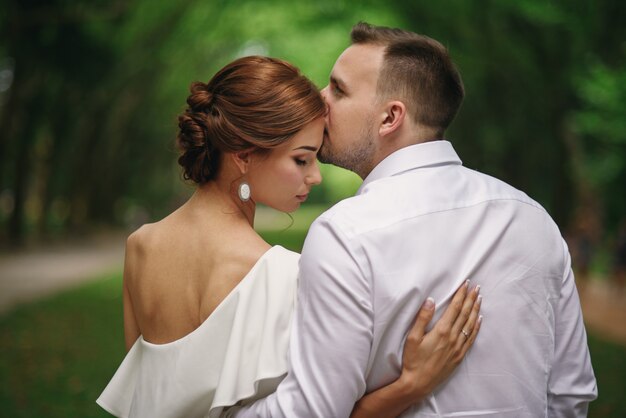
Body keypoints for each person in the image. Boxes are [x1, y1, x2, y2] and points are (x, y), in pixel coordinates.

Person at [229, 22, 598, 417]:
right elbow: (570, 395)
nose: (320, 100)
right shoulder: (534, 220)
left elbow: (310, 411)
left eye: (338, 89)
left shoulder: (346, 234)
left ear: (390, 117)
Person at [96, 55, 482, 418]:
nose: (314, 177)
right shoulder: (279, 274)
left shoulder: (141, 245)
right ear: (243, 156)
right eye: (301, 159)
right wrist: (412, 385)